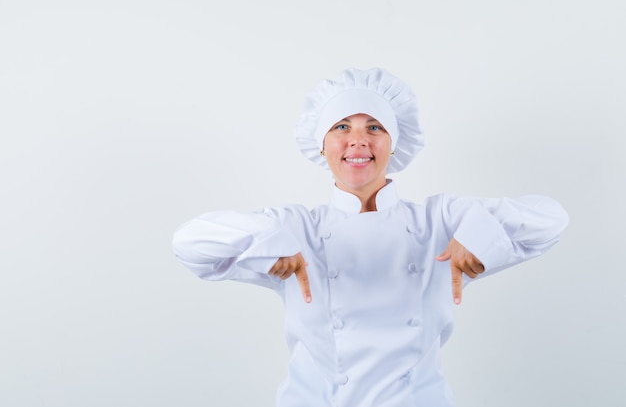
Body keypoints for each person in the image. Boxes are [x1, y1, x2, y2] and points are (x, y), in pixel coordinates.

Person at [172, 68, 569, 407]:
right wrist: (269, 239)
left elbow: (552, 219)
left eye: (373, 127)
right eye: (342, 127)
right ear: (322, 144)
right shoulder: (296, 229)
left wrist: (478, 233)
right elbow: (189, 243)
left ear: (393, 143)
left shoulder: (440, 221)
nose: (358, 140)